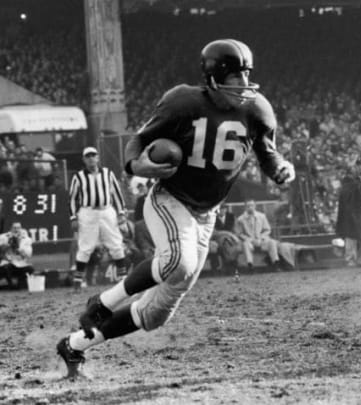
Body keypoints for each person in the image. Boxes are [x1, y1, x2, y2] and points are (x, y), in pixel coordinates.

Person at [56, 39, 295, 379]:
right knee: (177, 262)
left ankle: (74, 345)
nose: (244, 84)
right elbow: (138, 141)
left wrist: (282, 169)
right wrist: (139, 167)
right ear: (213, 78)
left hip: (206, 213)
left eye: (246, 75)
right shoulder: (183, 101)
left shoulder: (257, 109)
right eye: (235, 76)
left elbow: (268, 155)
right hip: (171, 198)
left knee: (154, 314)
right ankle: (102, 303)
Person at [68, 147, 128, 288]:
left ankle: (123, 278)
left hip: (106, 210)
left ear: (98, 157)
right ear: (84, 159)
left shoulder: (108, 173)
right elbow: (72, 198)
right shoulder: (78, 176)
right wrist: (73, 217)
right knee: (85, 246)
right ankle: (78, 281)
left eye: (93, 155)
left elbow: (117, 194)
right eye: (87, 156)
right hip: (87, 212)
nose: (90, 158)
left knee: (116, 244)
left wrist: (121, 213)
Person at [235, 200, 280, 271]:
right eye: (248, 206)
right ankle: (250, 264)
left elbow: (267, 229)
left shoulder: (262, 216)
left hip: (261, 240)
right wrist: (249, 239)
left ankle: (276, 263)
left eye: (252, 205)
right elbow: (239, 233)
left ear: (255, 206)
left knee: (272, 242)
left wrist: (261, 238)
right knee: (245, 245)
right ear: (245, 207)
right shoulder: (240, 219)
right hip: (249, 241)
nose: (250, 208)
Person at [0, 222, 34, 290]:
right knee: (6, 267)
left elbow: (28, 255)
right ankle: (11, 285)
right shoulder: (3, 237)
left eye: (18, 228)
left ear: (21, 229)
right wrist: (7, 245)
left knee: (30, 269)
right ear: (11, 229)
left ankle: (19, 285)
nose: (16, 229)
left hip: (20, 263)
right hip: (7, 262)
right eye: (14, 228)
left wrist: (19, 249)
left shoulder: (26, 239)